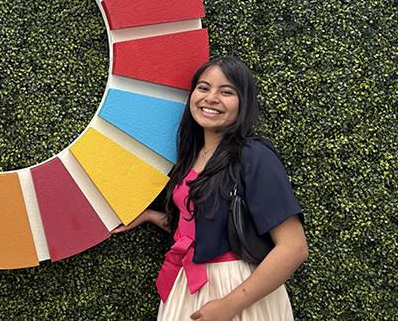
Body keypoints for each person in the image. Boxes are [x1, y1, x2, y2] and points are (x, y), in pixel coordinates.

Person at [113, 56, 308, 320]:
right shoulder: (191, 156)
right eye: (203, 88)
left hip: (236, 292)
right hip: (186, 286)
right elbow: (206, 227)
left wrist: (230, 305)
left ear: (244, 103)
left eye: (226, 91)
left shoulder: (253, 155)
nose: (211, 97)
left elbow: (294, 248)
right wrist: (150, 216)